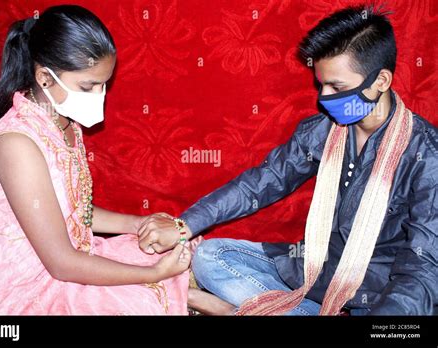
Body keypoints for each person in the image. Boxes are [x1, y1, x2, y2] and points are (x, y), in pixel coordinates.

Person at [138, 5, 438, 315]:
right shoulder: (325, 131)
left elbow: (424, 267)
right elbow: (262, 183)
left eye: (338, 87)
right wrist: (185, 225)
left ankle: (233, 309)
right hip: (314, 269)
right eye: (321, 84)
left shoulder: (427, 156)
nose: (324, 97)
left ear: (381, 80)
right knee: (211, 256)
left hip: (376, 292)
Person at [0, 5, 191, 315]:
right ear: (44, 77)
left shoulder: (63, 120)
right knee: (149, 289)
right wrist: (153, 276)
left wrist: (138, 223)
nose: (99, 96)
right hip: (23, 286)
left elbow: (74, 212)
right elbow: (62, 264)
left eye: (104, 85)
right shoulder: (17, 145)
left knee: (169, 249)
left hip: (70, 256)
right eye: (88, 86)